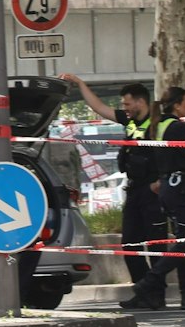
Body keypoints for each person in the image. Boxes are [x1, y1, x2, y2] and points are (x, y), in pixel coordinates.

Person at [59, 74, 163, 294]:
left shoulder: (158, 124)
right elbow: (99, 107)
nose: (123, 108)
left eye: (127, 103)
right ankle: (144, 291)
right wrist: (79, 84)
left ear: (140, 101)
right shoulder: (130, 120)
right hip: (134, 189)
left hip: (153, 191)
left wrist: (161, 181)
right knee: (130, 244)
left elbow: (171, 154)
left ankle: (156, 293)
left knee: (156, 245)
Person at [138, 86, 185, 310]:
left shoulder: (159, 125)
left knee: (182, 240)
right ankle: (150, 279)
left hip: (166, 189)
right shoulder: (179, 128)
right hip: (180, 190)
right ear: (177, 104)